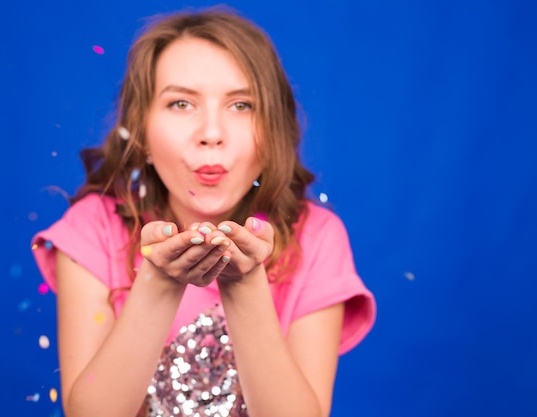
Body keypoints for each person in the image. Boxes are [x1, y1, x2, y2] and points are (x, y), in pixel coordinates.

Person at [32, 7, 376, 417]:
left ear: (273, 129)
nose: (211, 134)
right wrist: (158, 284)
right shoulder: (93, 230)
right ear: (140, 131)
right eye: (181, 103)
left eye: (242, 105)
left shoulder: (317, 238)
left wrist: (244, 283)